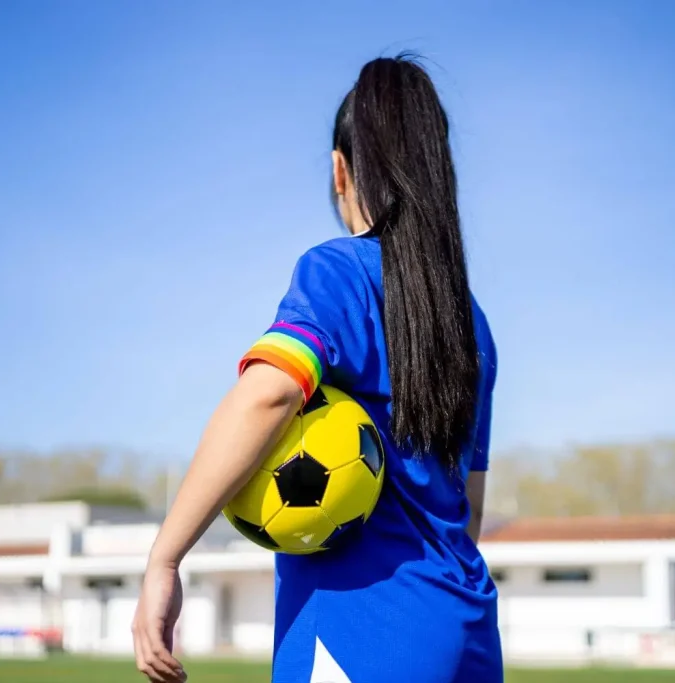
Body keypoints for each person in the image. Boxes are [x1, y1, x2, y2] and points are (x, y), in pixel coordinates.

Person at [132, 54, 501, 683]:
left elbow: (267, 397)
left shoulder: (340, 271)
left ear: (341, 170)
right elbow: (469, 508)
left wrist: (164, 559)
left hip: (360, 629)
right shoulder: (472, 324)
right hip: (465, 629)